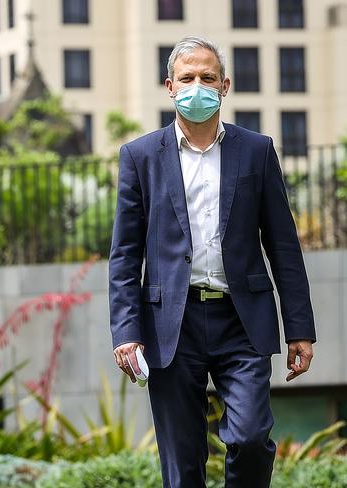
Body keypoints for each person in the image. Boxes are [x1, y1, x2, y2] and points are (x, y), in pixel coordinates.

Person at [108, 36, 316, 487]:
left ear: (225, 85)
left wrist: (299, 326)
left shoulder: (256, 150)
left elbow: (283, 245)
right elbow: (124, 255)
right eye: (187, 78)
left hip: (242, 321)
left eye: (207, 77)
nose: (196, 86)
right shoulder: (139, 157)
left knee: (250, 438)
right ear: (169, 86)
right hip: (171, 326)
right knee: (182, 465)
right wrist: (126, 333)